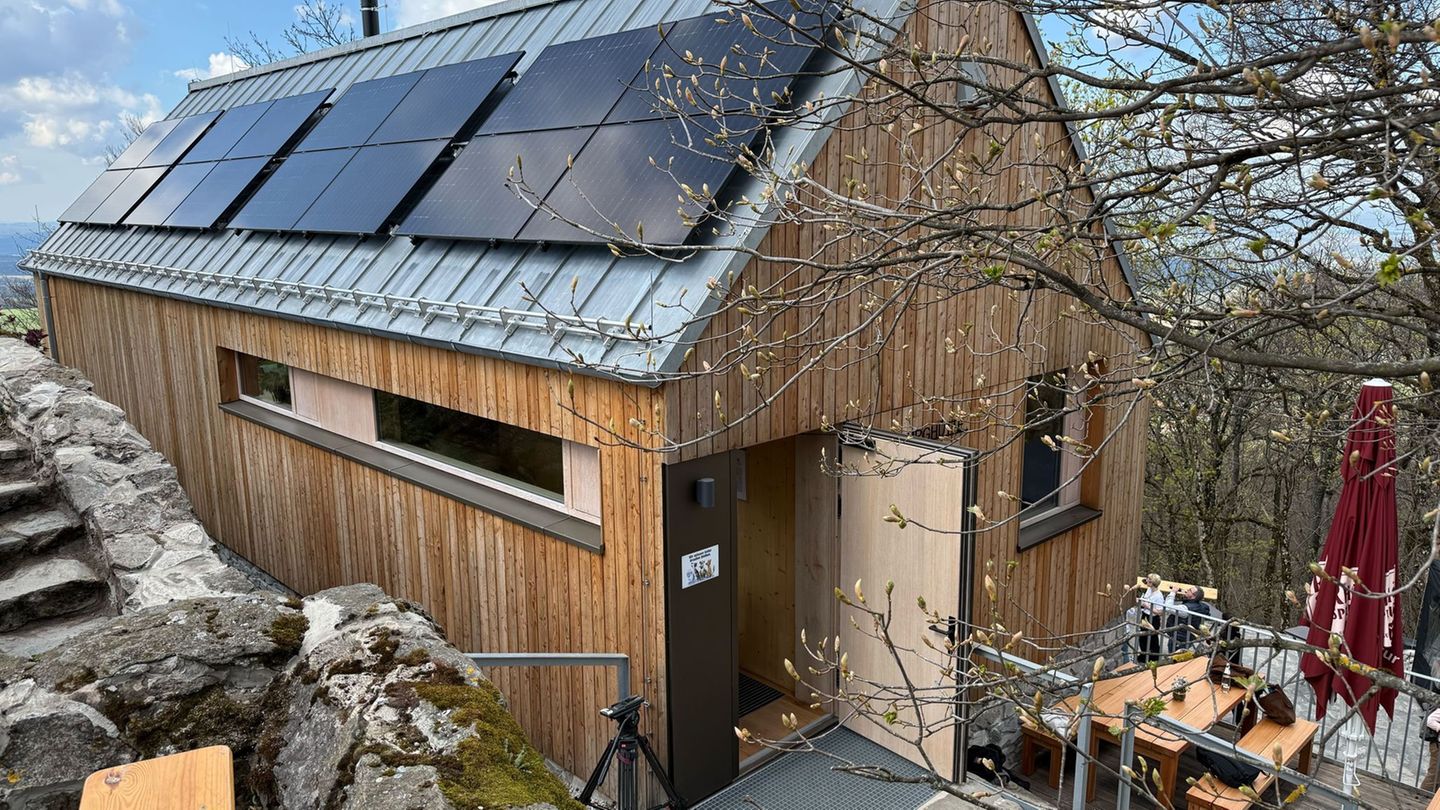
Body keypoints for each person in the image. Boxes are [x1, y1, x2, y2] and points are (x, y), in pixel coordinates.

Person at [1138, 574, 1168, 662]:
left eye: (1148, 579)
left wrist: (1147, 606)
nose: (1146, 580)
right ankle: (1144, 655)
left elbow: (1160, 612)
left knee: (1152, 639)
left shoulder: (1159, 596)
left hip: (1153, 618)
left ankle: (1154, 658)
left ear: (1152, 582)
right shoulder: (1149, 590)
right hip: (1145, 615)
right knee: (1142, 637)